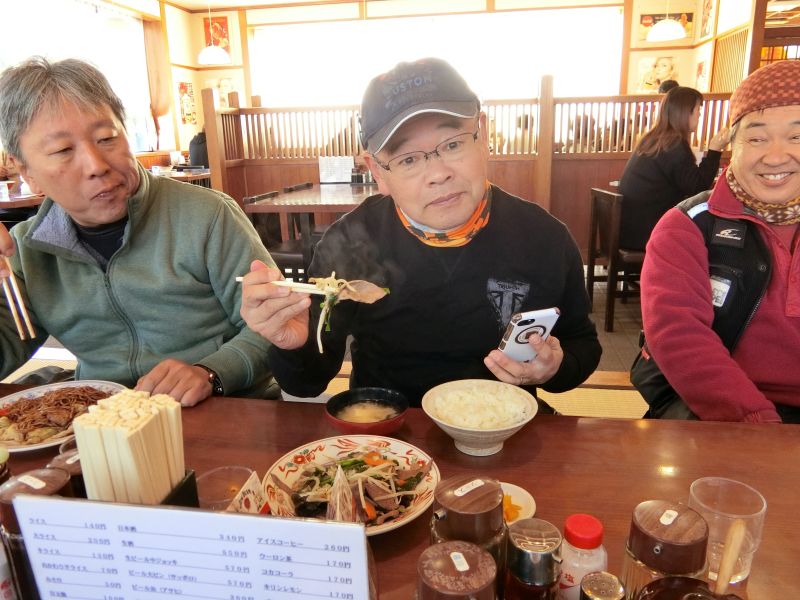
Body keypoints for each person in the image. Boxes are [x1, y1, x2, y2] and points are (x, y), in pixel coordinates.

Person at [240, 57, 601, 407]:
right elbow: (306, 384)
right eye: (408, 159)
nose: (438, 174)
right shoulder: (349, 243)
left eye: (453, 144)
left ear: (483, 136)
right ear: (377, 172)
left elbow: (582, 343)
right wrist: (289, 344)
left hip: (501, 427)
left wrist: (555, 368)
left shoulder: (544, 238)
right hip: (388, 431)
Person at [0, 57, 278, 406]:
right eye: (63, 150)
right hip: (101, 421)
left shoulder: (208, 216)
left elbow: (275, 327)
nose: (97, 165)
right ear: (25, 170)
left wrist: (212, 372)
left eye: (106, 138)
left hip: (224, 411)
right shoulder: (24, 252)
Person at [640, 60, 800, 423]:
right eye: (757, 138)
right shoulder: (689, 225)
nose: (776, 155)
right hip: (719, 413)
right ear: (733, 143)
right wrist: (758, 424)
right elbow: (679, 335)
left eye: (796, 136)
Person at [618, 86, 730, 250]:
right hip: (647, 233)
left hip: (631, 229)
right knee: (713, 231)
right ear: (685, 113)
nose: (699, 116)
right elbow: (698, 187)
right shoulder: (673, 144)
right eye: (698, 111)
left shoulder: (655, 139)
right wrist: (714, 150)